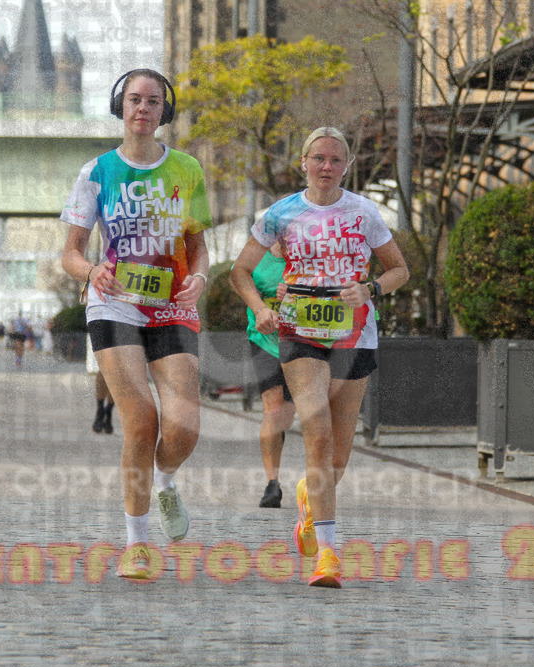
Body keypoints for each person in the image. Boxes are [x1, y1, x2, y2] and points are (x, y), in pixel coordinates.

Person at [231, 126, 409, 588]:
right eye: (318, 159)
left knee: (340, 454)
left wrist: (369, 289)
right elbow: (240, 272)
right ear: (303, 163)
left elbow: (399, 271)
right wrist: (262, 310)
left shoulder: (364, 212)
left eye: (335, 160)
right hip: (300, 332)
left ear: (346, 166)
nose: (326, 167)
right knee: (319, 434)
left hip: (355, 335)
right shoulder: (281, 212)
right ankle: (328, 554)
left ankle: (311, 502)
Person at [60, 68, 212, 580]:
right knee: (141, 417)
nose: (142, 108)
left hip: (171, 305)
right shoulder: (96, 172)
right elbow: (71, 253)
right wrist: (91, 270)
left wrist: (201, 277)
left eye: (152, 101)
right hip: (114, 302)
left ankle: (165, 479)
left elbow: (196, 245)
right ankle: (137, 542)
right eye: (133, 100)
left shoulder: (187, 169)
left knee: (184, 428)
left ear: (163, 111)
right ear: (119, 107)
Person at [234, 240, 296, 508]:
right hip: (264, 341)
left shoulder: (308, 254)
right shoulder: (258, 252)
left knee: (285, 415)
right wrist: (259, 305)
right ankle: (272, 484)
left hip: (301, 341)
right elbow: (239, 278)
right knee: (272, 408)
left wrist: (296, 292)